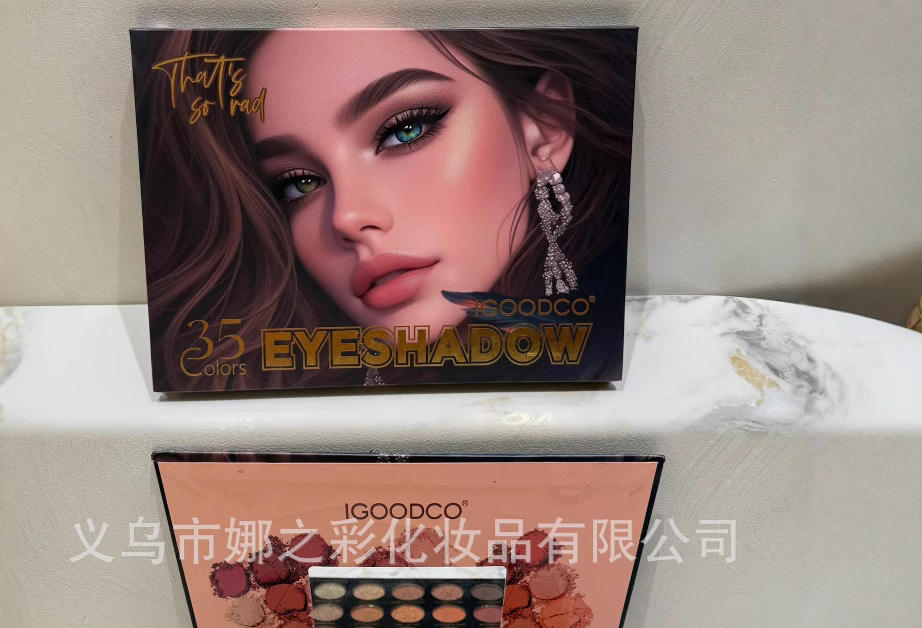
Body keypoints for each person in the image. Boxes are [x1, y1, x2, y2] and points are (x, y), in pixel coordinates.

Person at [134, 28, 636, 389]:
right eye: (299, 183)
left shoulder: (633, 361)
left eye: (405, 130)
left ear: (545, 126)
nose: (347, 218)